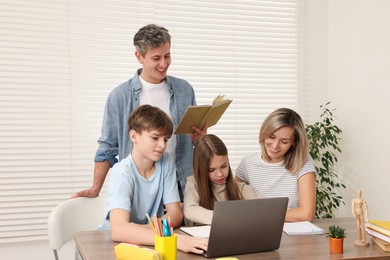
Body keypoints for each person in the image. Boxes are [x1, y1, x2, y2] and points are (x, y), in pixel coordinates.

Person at [72, 24, 206, 200]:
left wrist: (201, 138)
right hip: (139, 187)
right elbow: (107, 147)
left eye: (167, 56)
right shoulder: (120, 97)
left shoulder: (184, 90)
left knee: (179, 227)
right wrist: (95, 188)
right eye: (156, 58)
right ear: (139, 57)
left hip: (180, 184)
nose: (164, 64)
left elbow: (195, 141)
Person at [99, 105, 208, 253]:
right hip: (114, 246)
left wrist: (145, 229)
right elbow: (119, 229)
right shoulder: (121, 172)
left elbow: (175, 214)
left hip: (148, 241)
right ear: (133, 136)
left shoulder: (166, 161)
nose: (162, 145)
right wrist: (172, 238)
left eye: (166, 139)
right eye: (155, 138)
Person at [234, 108, 316, 222]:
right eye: (271, 137)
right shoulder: (248, 163)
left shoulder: (303, 162)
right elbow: (231, 201)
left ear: (294, 143)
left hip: (292, 234)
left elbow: (306, 214)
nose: (275, 146)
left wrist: (261, 213)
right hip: (256, 230)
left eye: (284, 141)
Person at [184, 134, 259, 226]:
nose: (220, 174)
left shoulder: (239, 187)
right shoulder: (193, 183)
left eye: (224, 166)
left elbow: (265, 207)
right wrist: (228, 217)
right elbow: (190, 211)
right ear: (201, 168)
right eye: (211, 170)